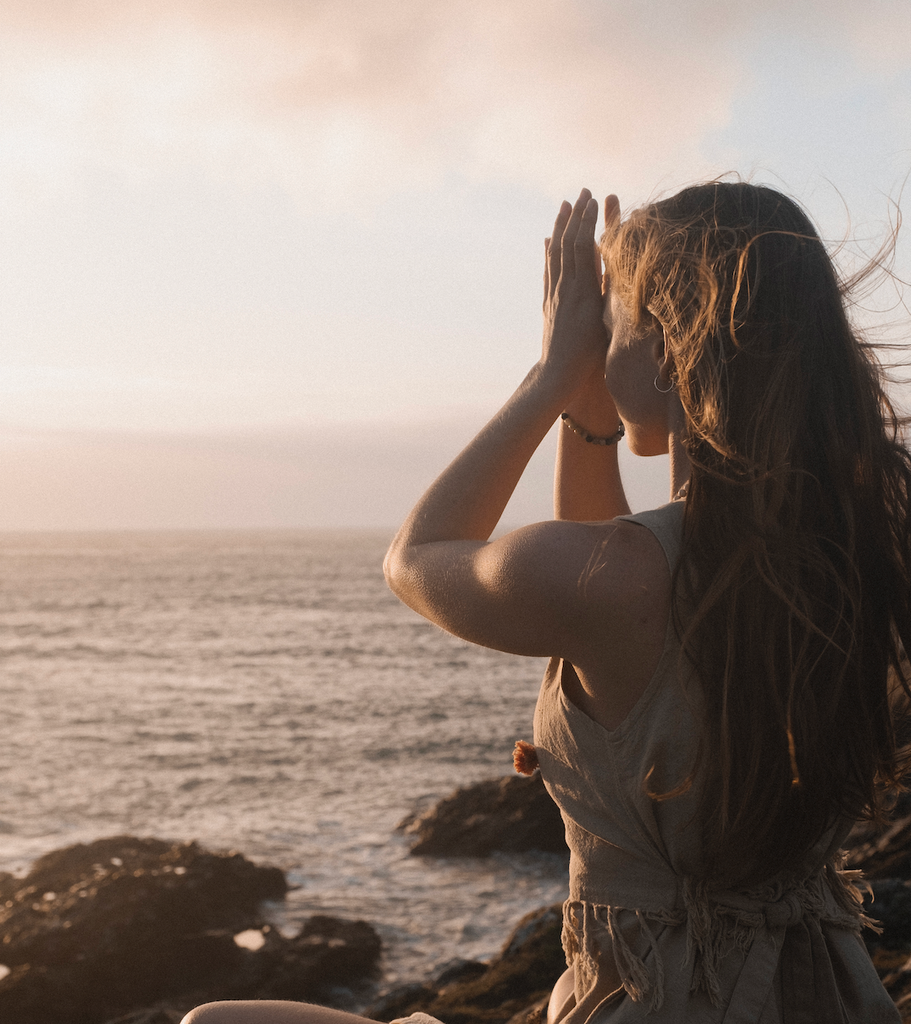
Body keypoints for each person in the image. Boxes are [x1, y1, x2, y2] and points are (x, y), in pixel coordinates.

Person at [182, 182, 910, 1023]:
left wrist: (550, 376)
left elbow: (414, 560)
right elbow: (626, 594)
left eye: (618, 322)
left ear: (671, 349)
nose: (601, 346)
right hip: (815, 994)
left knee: (217, 1023)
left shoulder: (612, 577)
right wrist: (592, 419)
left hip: (650, 1001)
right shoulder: (861, 546)